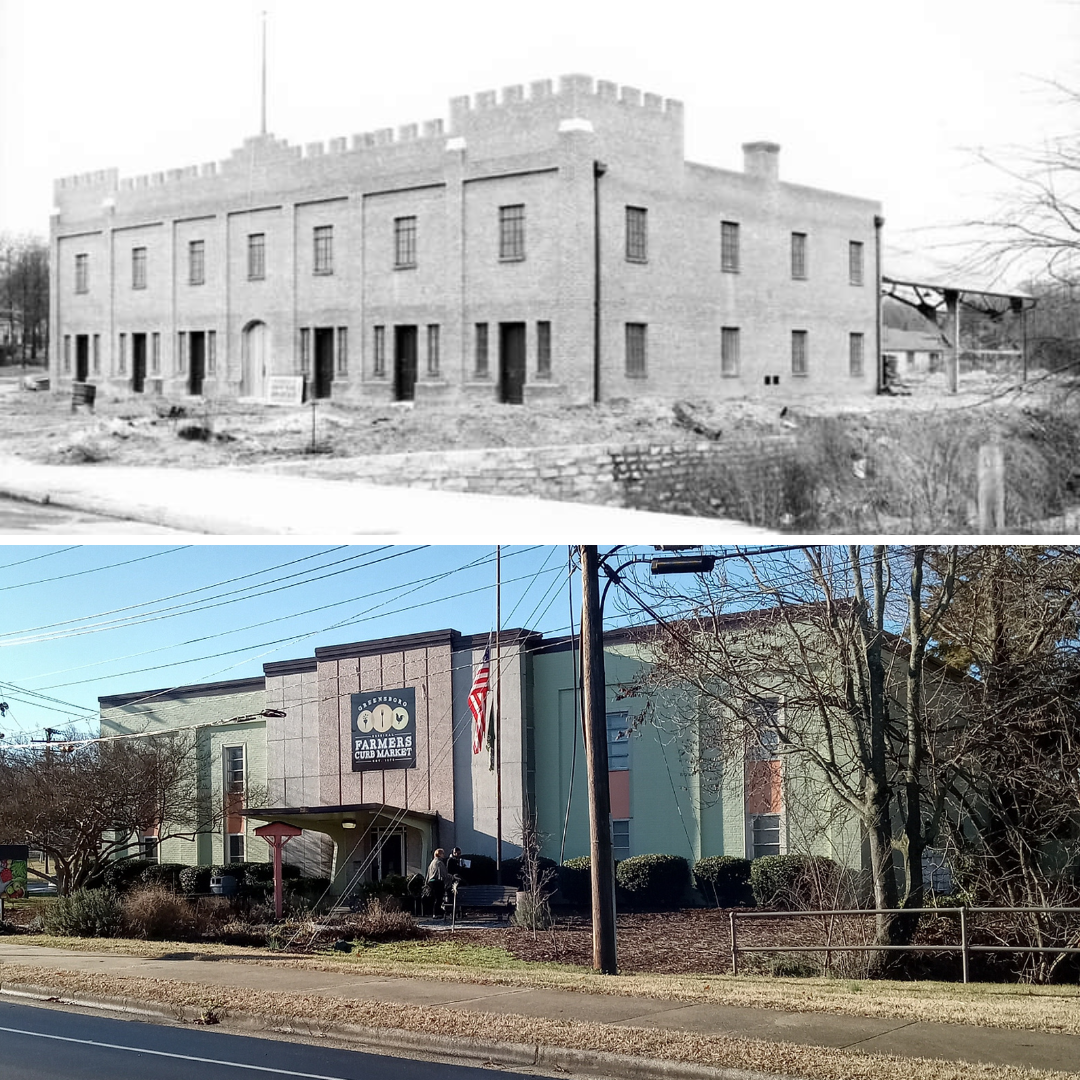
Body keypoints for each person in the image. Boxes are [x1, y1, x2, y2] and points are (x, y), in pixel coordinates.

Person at [425, 847, 449, 918]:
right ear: (439, 854)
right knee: (439, 898)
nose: (444, 855)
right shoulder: (439, 862)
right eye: (442, 853)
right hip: (437, 882)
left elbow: (428, 873)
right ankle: (437, 913)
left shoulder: (432, 862)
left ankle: (435, 913)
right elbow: (443, 874)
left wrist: (426, 882)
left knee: (435, 898)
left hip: (431, 882)